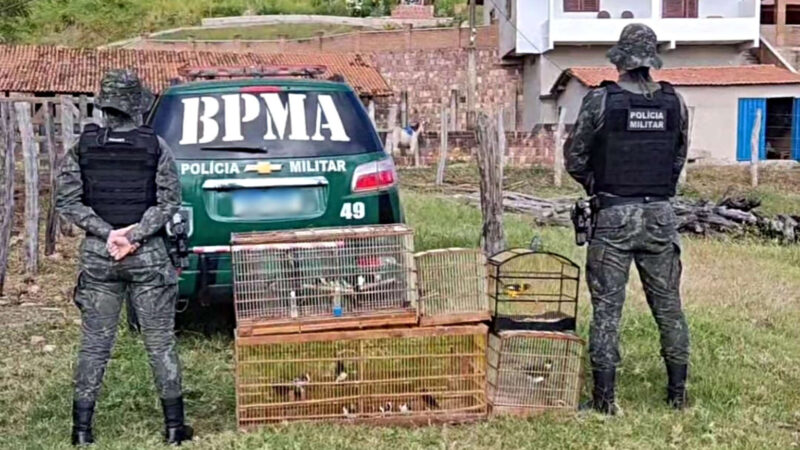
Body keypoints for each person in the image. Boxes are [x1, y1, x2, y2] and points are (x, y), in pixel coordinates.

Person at [56, 69, 193, 445]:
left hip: (100, 255)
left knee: (94, 344)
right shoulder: (155, 146)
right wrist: (134, 234)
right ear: (137, 105)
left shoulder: (82, 147)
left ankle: (82, 431)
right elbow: (169, 201)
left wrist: (107, 233)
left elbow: (66, 200)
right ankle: (173, 428)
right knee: (160, 342)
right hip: (147, 254)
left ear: (104, 105)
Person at [564, 24, 691, 415]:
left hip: (613, 216)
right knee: (669, 307)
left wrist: (599, 186)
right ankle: (677, 396)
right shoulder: (677, 102)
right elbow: (677, 159)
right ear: (651, 61)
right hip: (660, 216)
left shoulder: (600, 100)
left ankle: (604, 402)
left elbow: (575, 158)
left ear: (620, 59)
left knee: (606, 309)